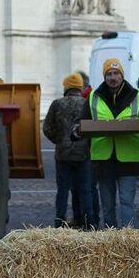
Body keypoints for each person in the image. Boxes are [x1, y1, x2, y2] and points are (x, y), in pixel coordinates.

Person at [84, 58, 139, 228]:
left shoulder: (137, 95)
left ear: (122, 75)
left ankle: (128, 240)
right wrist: (75, 130)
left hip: (128, 159)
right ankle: (111, 240)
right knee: (108, 205)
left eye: (116, 73)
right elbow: (81, 120)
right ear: (104, 77)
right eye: (109, 74)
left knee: (127, 202)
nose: (113, 77)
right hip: (103, 159)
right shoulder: (93, 97)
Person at [41, 73, 94, 227]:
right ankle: (89, 224)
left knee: (63, 191)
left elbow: (47, 128)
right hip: (83, 154)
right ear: (80, 87)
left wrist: (58, 141)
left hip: (63, 154)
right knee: (85, 191)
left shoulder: (57, 104)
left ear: (65, 87)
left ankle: (59, 223)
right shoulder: (87, 104)